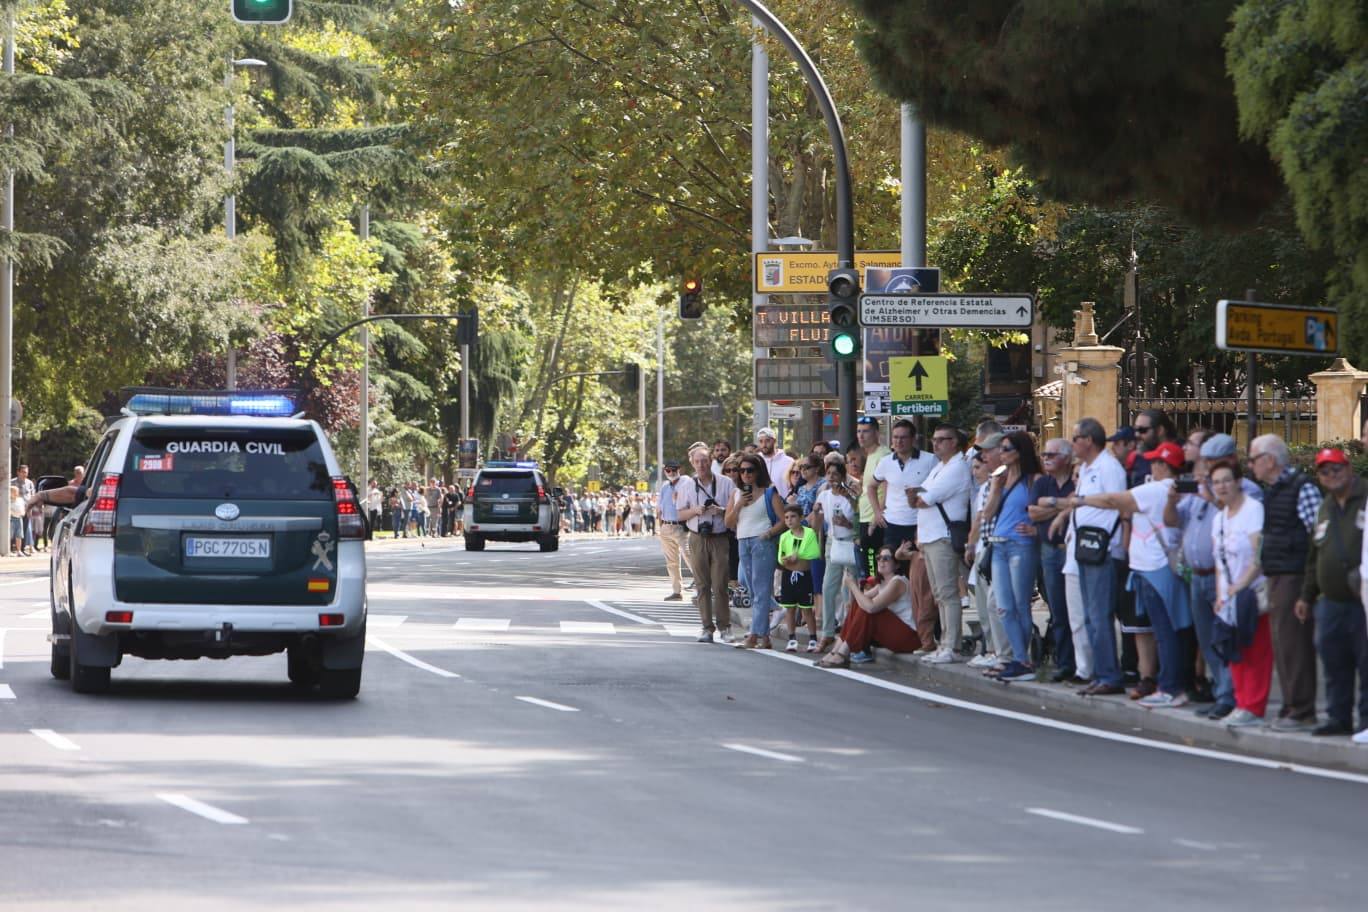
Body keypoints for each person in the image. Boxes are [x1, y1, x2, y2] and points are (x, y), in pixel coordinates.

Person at [1071, 440, 1192, 707]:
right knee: (1165, 630)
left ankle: (1171, 688)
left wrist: (1076, 500)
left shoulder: (1155, 490)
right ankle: (1170, 685)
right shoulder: (1169, 490)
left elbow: (1114, 499)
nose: (1150, 465)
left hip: (1155, 568)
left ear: (1163, 465)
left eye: (1154, 461)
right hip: (1152, 568)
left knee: (1165, 631)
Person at [1249, 433, 1321, 731]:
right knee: (1283, 643)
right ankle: (1292, 705)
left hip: (1294, 574)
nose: (1251, 465)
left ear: (1270, 460)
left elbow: (1317, 535)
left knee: (1295, 644)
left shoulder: (1301, 488)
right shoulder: (1274, 490)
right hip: (1278, 572)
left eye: (1253, 459)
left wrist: (1308, 584)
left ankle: (1302, 709)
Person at [1051, 418, 1127, 696]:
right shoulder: (1086, 468)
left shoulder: (1108, 467)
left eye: (1075, 438)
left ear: (1089, 440)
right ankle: (1099, 671)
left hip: (1101, 549)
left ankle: (1109, 674)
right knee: (1090, 616)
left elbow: (1116, 502)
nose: (1072, 444)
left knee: (1098, 615)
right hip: (1085, 548)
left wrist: (1079, 504)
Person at [1295, 449, 1368, 737]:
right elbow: (1315, 554)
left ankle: (1366, 720)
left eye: (1336, 469)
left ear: (1348, 468)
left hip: (1362, 599)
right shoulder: (1325, 506)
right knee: (1334, 661)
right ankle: (1338, 717)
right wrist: (1306, 594)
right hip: (1332, 601)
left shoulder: (1365, 497)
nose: (1331, 475)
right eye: (1325, 471)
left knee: (1366, 663)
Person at [1210, 461, 1271, 729]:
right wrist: (1220, 595)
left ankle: (1254, 706)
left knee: (1256, 649)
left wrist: (1241, 585)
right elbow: (1218, 563)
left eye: (1226, 480)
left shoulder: (1253, 510)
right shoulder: (1219, 518)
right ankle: (1240, 701)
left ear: (1238, 482)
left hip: (1250, 593)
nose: (1222, 486)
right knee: (1234, 650)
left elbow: (1259, 554)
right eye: (1216, 482)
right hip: (1229, 597)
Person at [981, 431, 1045, 682]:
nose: (1002, 452)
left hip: (1021, 545)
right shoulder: (1001, 479)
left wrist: (1036, 529)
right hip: (999, 545)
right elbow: (986, 515)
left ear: (1019, 451)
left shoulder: (1034, 480)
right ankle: (1018, 658)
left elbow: (1047, 510)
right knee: (1003, 607)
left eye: (1007, 448)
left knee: (1020, 605)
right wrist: (996, 488)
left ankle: (1022, 660)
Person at [911, 425, 972, 664]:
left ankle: (951, 645)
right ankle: (945, 642)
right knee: (939, 593)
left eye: (943, 439)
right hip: (930, 536)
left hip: (942, 536)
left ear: (955, 443)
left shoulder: (956, 467)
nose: (936, 444)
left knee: (947, 593)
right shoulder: (940, 467)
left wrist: (916, 496)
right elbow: (919, 495)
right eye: (934, 439)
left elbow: (924, 498)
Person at [1028, 437, 1081, 682]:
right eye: (1044, 455)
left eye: (1052, 455)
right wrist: (1065, 505)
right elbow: (1033, 512)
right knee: (1058, 609)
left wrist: (1050, 505)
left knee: (1080, 611)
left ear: (1067, 458)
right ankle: (1065, 662)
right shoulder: (1042, 483)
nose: (1046, 458)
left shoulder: (1077, 480)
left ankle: (1083, 664)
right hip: (1049, 550)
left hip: (1074, 548)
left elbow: (1081, 505)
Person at [814, 547, 921, 668]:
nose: (881, 561)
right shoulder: (881, 584)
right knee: (860, 605)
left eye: (886, 559)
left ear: (897, 565)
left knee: (868, 609)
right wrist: (850, 585)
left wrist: (853, 586)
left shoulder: (898, 582)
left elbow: (870, 608)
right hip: (895, 633)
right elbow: (857, 602)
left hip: (910, 638)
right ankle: (835, 651)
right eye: (879, 558)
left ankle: (842, 654)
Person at [676, 443, 736, 643]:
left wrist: (721, 511)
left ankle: (725, 627)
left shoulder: (726, 483)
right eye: (697, 461)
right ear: (692, 464)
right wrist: (695, 510)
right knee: (702, 585)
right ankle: (706, 628)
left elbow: (735, 509)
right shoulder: (686, 485)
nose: (701, 465)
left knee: (720, 584)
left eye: (704, 461)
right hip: (697, 537)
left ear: (710, 461)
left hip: (720, 537)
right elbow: (680, 513)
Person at [725, 452, 785, 650]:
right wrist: (740, 504)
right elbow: (728, 522)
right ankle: (765, 637)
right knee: (750, 588)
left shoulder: (769, 492)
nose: (745, 474)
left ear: (758, 471)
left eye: (750, 470)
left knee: (760, 591)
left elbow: (783, 520)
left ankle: (753, 636)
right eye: (741, 471)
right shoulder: (736, 494)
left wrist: (768, 534)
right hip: (743, 541)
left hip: (762, 542)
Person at [965, 434, 1011, 669]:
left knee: (995, 603)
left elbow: (985, 516)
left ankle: (1000, 651)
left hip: (994, 547)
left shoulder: (998, 482)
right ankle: (993, 648)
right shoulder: (987, 485)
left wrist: (971, 543)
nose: (976, 468)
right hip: (986, 548)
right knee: (985, 605)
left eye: (984, 456)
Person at [811, 453, 860, 653]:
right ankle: (827, 633)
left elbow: (859, 522)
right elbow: (816, 525)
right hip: (832, 543)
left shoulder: (852, 495)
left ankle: (849, 633)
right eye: (828, 473)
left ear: (842, 475)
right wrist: (815, 512)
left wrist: (848, 523)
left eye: (835, 473)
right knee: (828, 588)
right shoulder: (823, 495)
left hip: (850, 542)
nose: (831, 477)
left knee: (850, 590)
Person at [868, 419, 937, 563]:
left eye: (903, 437)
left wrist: (918, 490)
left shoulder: (930, 460)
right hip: (892, 524)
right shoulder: (886, 462)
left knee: (918, 568)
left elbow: (937, 490)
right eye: (895, 437)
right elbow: (871, 486)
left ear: (913, 439)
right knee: (892, 567)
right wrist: (877, 512)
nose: (898, 441)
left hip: (919, 523)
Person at [777, 503, 821, 653]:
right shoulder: (784, 536)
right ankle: (791, 638)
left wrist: (797, 556)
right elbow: (780, 557)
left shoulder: (808, 533)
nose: (789, 520)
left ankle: (813, 639)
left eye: (793, 517)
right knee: (789, 608)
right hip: (788, 575)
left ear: (801, 518)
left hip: (804, 576)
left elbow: (813, 553)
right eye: (787, 517)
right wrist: (786, 559)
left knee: (806, 610)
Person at [855, 416, 892, 574]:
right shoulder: (870, 455)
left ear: (876, 433)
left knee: (873, 571)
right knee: (867, 569)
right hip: (865, 517)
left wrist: (877, 518)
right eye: (859, 431)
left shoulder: (883, 455)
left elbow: (886, 488)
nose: (861, 436)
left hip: (875, 520)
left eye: (866, 432)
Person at [657, 461, 688, 600]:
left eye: (673, 469)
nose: (671, 472)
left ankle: (704, 588)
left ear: (679, 469)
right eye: (668, 470)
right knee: (671, 561)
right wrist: (660, 526)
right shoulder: (664, 486)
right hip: (666, 526)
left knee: (691, 558)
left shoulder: (686, 482)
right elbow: (659, 507)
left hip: (681, 526)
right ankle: (677, 591)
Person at [756, 428, 795, 500]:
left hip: (783, 504)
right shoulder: (756, 461)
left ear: (774, 441)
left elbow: (794, 484)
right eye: (761, 441)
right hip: (761, 504)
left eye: (767, 441)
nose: (764, 445)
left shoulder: (789, 461)